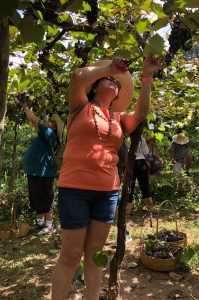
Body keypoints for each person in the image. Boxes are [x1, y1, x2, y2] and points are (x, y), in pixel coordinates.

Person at [51, 55, 164, 300]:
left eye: (117, 82)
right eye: (108, 79)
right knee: (70, 256)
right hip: (74, 189)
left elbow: (141, 112)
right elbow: (75, 76)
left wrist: (147, 76)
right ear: (94, 86)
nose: (114, 82)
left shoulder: (118, 118)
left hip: (107, 192)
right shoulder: (80, 106)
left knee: (95, 254)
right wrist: (110, 67)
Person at [20, 100, 63, 235]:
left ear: (54, 127)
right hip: (35, 172)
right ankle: (40, 224)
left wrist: (25, 107)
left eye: (51, 122)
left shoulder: (50, 134)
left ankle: (49, 225)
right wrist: (29, 108)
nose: (49, 122)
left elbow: (34, 121)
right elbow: (35, 121)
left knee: (46, 198)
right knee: (36, 197)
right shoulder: (44, 134)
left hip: (43, 173)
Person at [126, 136, 154, 219]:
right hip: (141, 162)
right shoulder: (141, 137)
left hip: (130, 162)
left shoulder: (125, 136)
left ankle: (127, 214)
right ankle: (150, 212)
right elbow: (146, 152)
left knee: (129, 188)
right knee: (145, 187)